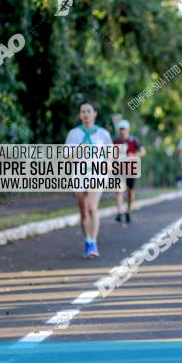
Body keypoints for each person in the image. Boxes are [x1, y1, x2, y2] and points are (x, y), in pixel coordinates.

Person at [64, 101, 113, 258]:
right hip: (78, 174)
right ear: (80, 115)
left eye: (88, 111)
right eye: (83, 111)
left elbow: (111, 154)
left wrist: (108, 164)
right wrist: (79, 150)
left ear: (95, 113)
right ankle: (87, 239)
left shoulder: (103, 134)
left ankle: (93, 243)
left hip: (97, 174)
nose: (86, 114)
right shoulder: (73, 134)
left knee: (92, 208)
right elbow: (66, 158)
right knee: (83, 212)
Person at [113, 120, 145, 224]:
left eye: (124, 129)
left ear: (128, 130)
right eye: (121, 129)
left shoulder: (134, 140)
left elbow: (143, 152)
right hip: (118, 169)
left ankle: (128, 211)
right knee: (119, 190)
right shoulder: (115, 141)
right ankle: (119, 213)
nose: (122, 131)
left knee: (130, 192)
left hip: (131, 169)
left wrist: (134, 155)